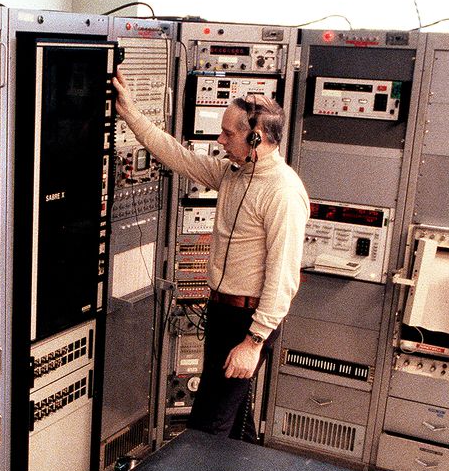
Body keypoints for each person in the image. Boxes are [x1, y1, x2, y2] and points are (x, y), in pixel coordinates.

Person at [113, 70, 308, 438]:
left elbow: (284, 278)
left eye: (228, 134)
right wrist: (131, 114)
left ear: (256, 137)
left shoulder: (282, 192)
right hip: (223, 312)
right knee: (233, 419)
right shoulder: (235, 173)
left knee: (208, 426)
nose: (220, 141)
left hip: (248, 321)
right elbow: (179, 157)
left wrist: (253, 343)